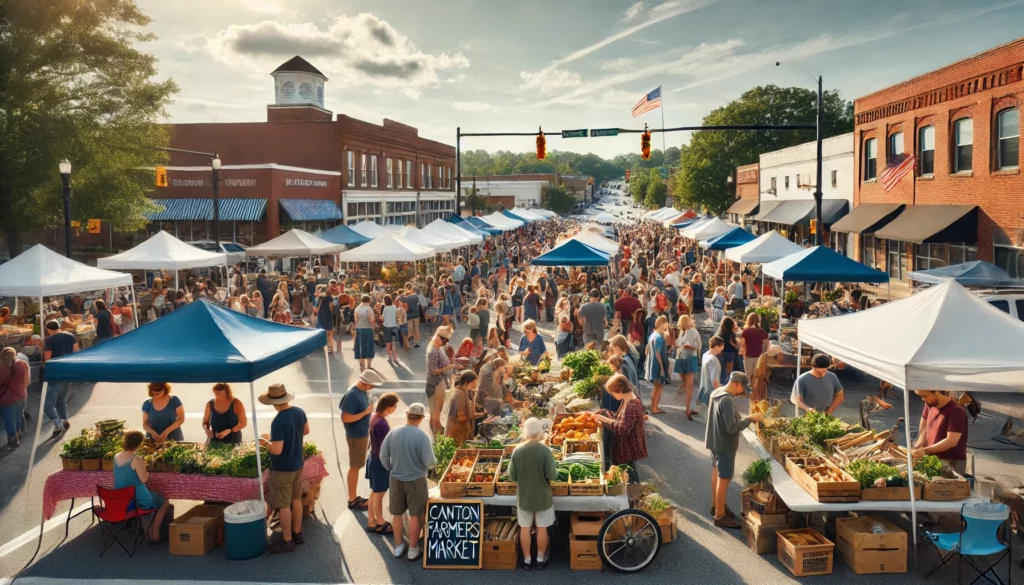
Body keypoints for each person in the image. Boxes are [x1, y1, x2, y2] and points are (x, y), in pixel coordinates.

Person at [379, 402, 435, 561]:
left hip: (396, 478)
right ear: (422, 418)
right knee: (415, 515)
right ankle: (412, 548)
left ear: (407, 415)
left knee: (397, 514)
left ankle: (398, 546)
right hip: (416, 479)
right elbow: (428, 461)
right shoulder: (422, 437)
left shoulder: (394, 432)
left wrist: (391, 468)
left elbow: (383, 455)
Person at [705, 371, 762, 529]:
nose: (743, 392)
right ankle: (720, 516)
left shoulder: (717, 392)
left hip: (713, 440)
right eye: (743, 388)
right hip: (725, 444)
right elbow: (731, 428)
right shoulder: (728, 400)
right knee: (725, 479)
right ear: (737, 384)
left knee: (716, 473)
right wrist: (749, 419)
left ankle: (716, 505)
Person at [258, 384, 310, 553]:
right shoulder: (299, 412)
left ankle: (287, 541)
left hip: (283, 468)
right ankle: (298, 533)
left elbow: (277, 450)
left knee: (283, 505)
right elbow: (306, 431)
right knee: (296, 500)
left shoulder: (279, 420)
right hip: (297, 464)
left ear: (273, 402)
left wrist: (265, 442)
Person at [509, 417, 557, 571]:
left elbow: (512, 477)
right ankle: (540, 559)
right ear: (540, 431)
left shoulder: (517, 450)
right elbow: (552, 475)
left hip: (524, 497)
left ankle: (527, 560)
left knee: (524, 528)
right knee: (542, 528)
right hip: (543, 497)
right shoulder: (545, 451)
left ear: (526, 431)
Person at [113, 430, 172, 543]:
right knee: (165, 502)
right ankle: (155, 533)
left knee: (155, 499)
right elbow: (144, 479)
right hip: (137, 498)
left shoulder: (116, 456)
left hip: (121, 498)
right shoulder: (136, 459)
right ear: (139, 444)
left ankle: (147, 531)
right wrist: (146, 471)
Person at [341, 369, 385, 510]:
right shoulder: (352, 395)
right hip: (355, 435)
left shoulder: (362, 392)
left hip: (362, 434)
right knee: (355, 466)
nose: (373, 387)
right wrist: (366, 412)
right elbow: (345, 418)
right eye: (372, 385)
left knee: (357, 465)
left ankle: (353, 497)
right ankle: (352, 499)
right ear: (366, 384)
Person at [594, 374, 647, 481]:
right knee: (628, 470)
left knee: (628, 473)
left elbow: (622, 429)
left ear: (620, 389)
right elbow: (620, 419)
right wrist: (604, 412)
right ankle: (633, 492)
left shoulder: (631, 405)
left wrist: (605, 419)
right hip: (628, 446)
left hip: (628, 448)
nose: (613, 395)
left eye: (613, 393)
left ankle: (633, 494)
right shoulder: (629, 399)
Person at [366, 392, 400, 535]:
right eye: (394, 406)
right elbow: (387, 447)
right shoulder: (382, 423)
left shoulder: (374, 417)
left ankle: (371, 521)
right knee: (380, 493)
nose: (395, 409)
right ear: (387, 406)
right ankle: (380, 522)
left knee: (374, 491)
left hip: (373, 458)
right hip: (380, 461)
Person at [913, 390, 969, 475]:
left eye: (925, 396)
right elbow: (924, 422)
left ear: (937, 392)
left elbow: (951, 441)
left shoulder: (956, 411)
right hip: (933, 457)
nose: (922, 399)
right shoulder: (930, 404)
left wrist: (925, 451)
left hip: (950, 462)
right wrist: (920, 441)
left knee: (946, 487)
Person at [42, 320, 78, 438]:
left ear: (48, 329)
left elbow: (48, 360)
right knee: (61, 399)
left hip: (56, 373)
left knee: (47, 404)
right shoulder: (71, 336)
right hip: (68, 371)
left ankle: (58, 424)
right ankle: (64, 420)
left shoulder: (51, 340)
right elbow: (76, 352)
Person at [425, 326, 458, 435]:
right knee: (437, 414)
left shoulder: (438, 348)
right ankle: (437, 436)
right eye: (444, 341)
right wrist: (449, 367)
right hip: (436, 384)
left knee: (438, 412)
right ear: (438, 337)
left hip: (441, 383)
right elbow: (434, 371)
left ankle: (437, 434)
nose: (444, 343)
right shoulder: (433, 351)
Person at [674, 315, 702, 420]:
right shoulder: (683, 332)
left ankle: (688, 409)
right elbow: (678, 343)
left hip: (690, 358)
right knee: (686, 383)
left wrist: (691, 347)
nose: (681, 326)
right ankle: (689, 407)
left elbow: (698, 345)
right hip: (682, 357)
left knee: (689, 385)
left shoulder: (693, 331)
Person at [446, 370, 483, 446]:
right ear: (466, 382)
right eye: (473, 383)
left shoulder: (464, 391)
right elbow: (461, 418)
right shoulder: (460, 394)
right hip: (457, 433)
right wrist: (479, 415)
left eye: (476, 383)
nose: (475, 385)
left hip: (459, 431)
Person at [0, 348, 29, 447]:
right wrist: (21, 391)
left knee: (9, 419)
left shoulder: (1, 367)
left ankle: (12, 439)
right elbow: (26, 382)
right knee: (18, 416)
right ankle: (18, 436)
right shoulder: (22, 363)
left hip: (5, 399)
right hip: (21, 396)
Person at [644, 315, 670, 415]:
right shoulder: (659, 338)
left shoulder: (653, 335)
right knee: (659, 387)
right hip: (658, 364)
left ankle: (653, 406)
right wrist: (662, 368)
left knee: (655, 387)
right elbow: (658, 353)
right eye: (666, 323)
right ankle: (655, 408)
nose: (667, 325)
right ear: (662, 323)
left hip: (652, 364)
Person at [697, 336, 724, 408]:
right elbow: (714, 382)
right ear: (717, 346)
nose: (722, 350)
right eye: (722, 347)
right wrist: (722, 390)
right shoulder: (714, 361)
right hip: (710, 395)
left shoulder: (705, 355)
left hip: (702, 393)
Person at [353, 295, 376, 372]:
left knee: (360, 348)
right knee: (369, 347)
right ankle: (368, 365)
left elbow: (356, 321)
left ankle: (361, 364)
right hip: (368, 329)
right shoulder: (369, 309)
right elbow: (372, 320)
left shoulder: (357, 309)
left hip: (359, 330)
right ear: (368, 301)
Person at [715, 316, 739, 382]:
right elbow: (735, 345)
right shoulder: (731, 334)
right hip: (730, 352)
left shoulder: (719, 334)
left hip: (721, 352)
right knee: (729, 373)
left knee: (721, 371)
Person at [381, 294, 400, 366]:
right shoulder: (394, 307)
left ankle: (390, 357)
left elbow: (382, 319)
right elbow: (396, 316)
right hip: (394, 326)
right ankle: (395, 358)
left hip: (387, 327)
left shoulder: (385, 309)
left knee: (388, 343)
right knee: (393, 342)